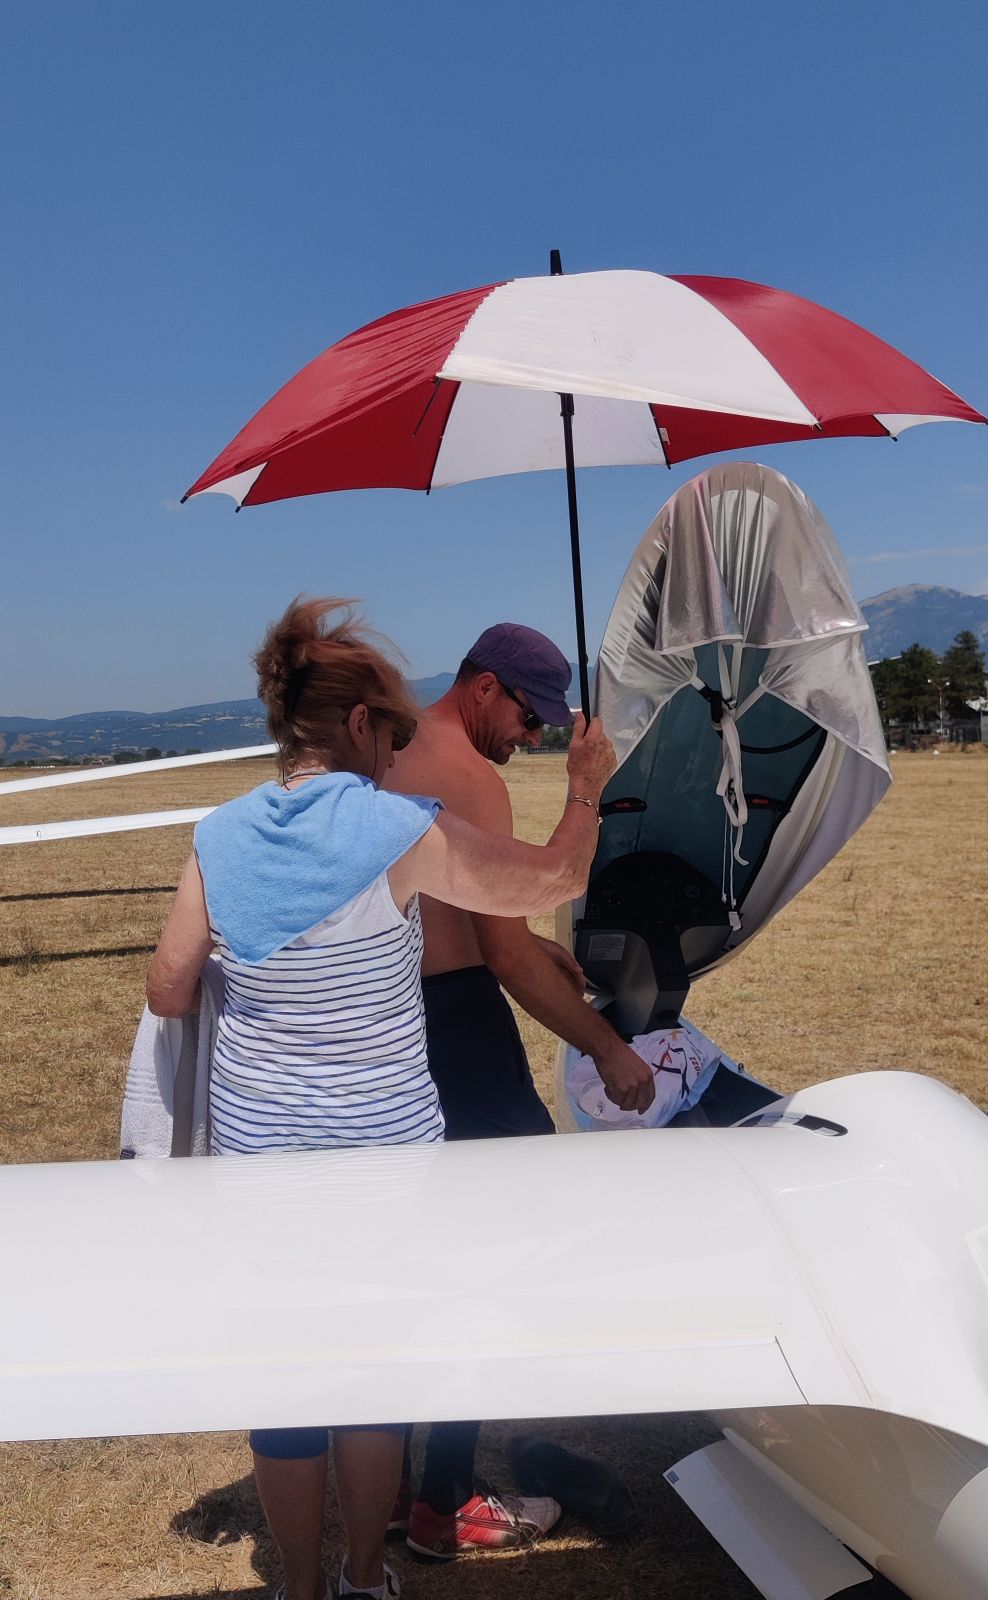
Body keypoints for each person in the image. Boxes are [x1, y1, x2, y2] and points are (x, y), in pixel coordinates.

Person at [146, 598, 616, 1600]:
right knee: (371, 1374)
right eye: (391, 735)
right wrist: (584, 789)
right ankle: (364, 1576)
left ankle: (298, 1588)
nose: (395, 754)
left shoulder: (218, 835)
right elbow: (549, 882)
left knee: (285, 1390)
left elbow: (169, 988)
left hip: (259, 1165)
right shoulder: (401, 829)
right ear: (359, 724)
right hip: (385, 1162)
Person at [383, 623, 655, 1560]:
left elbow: (454, 912)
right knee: (489, 1259)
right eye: (528, 716)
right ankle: (445, 1503)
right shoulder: (468, 775)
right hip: (458, 1032)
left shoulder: (382, 751)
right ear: (484, 688)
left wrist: (528, 938)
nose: (531, 736)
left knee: (412, 1262)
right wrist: (607, 1049)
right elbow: (497, 955)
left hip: (386, 1032)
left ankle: (393, 1486)